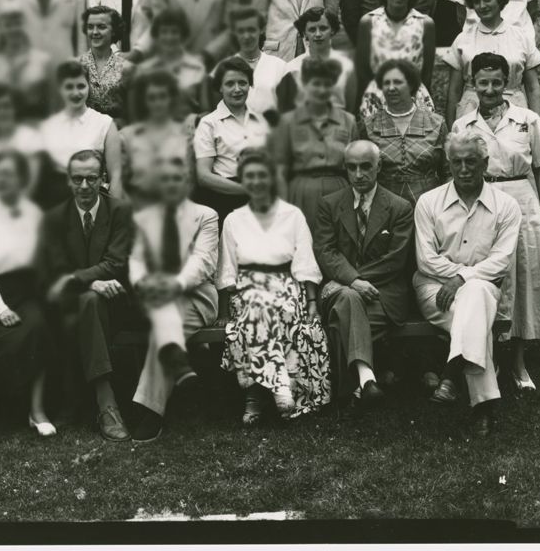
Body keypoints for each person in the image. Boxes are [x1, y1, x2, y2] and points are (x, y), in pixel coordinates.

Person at [451, 52, 540, 390]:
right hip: (483, 200)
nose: (491, 88)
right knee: (489, 280)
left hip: (523, 202)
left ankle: (519, 363)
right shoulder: (463, 125)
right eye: (484, 82)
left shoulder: (527, 120)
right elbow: (455, 172)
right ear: (473, 83)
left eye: (497, 82)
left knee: (523, 281)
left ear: (507, 82)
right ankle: (490, 359)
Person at [413, 130, 522, 437]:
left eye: (471, 161)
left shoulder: (506, 206)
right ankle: (481, 407)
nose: (464, 169)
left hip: (482, 287)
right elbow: (426, 259)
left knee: (474, 298)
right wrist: (461, 277)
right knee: (476, 313)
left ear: (485, 163)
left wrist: (463, 277)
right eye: (457, 161)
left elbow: (502, 260)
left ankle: (453, 377)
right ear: (448, 163)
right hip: (434, 288)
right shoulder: (428, 202)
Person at [218, 149, 330, 424]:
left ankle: (256, 396)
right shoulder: (233, 219)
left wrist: (313, 302)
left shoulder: (292, 216)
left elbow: (305, 262)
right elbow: (228, 269)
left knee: (275, 307)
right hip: (246, 288)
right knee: (257, 305)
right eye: (250, 176)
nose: (257, 182)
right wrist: (224, 308)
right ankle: (279, 386)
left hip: (287, 285)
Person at [40, 149, 135, 441]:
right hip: (70, 303)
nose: (84, 187)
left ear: (103, 179)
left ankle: (78, 402)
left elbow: (115, 263)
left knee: (92, 302)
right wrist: (89, 284)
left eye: (91, 178)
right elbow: (55, 269)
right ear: (68, 181)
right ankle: (106, 404)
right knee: (88, 301)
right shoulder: (55, 217)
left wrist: (78, 279)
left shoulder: (120, 211)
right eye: (77, 179)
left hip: (117, 302)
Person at [315, 141, 414, 403]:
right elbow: (326, 251)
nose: (358, 175)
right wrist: (354, 281)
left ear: (379, 166)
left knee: (341, 318)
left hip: (383, 295)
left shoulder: (399, 207)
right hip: (345, 291)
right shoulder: (330, 204)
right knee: (348, 299)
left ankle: (350, 390)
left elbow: (394, 260)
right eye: (352, 168)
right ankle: (367, 377)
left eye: (365, 167)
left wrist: (351, 280)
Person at [0, 149, 55, 437]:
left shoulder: (33, 212)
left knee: (40, 326)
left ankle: (37, 410)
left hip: (27, 292)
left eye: (11, 174)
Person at [128, 157, 218, 442]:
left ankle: (150, 410)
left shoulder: (206, 216)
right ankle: (174, 370)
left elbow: (203, 262)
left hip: (196, 298)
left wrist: (174, 284)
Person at [442, 0, 540, 129]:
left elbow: (532, 87)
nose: (482, 5)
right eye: (476, 1)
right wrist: (451, 130)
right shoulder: (463, 39)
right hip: (471, 112)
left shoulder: (521, 37)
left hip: (515, 111)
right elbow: (454, 90)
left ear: (500, 0)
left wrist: (537, 127)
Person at [270, 57, 357, 231]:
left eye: (327, 84)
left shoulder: (348, 121)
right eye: (316, 83)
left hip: (339, 190)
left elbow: (355, 166)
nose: (322, 90)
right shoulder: (288, 121)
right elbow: (279, 169)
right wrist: (283, 206)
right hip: (302, 191)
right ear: (305, 85)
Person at [355, 0, 437, 120]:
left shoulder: (425, 23)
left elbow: (426, 74)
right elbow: (363, 72)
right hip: (377, 99)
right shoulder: (369, 21)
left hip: (414, 99)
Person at [359, 59, 447, 206]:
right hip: (383, 207)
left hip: (429, 206)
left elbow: (448, 173)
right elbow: (361, 172)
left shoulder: (437, 124)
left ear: (412, 85)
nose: (391, 88)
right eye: (386, 83)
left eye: (398, 82)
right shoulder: (368, 126)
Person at [193, 56, 269, 224]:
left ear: (250, 85)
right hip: (225, 201)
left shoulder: (261, 121)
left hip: (260, 201)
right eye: (229, 84)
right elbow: (203, 176)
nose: (237, 89)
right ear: (220, 87)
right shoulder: (209, 124)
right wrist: (245, 189)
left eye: (242, 83)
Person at [37, 60, 124, 206]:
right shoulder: (48, 126)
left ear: (88, 86)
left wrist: (113, 214)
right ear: (60, 89)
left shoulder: (104, 124)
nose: (76, 93)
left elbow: (116, 175)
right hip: (54, 203)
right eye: (69, 87)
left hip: (91, 200)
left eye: (81, 86)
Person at [119, 69, 194, 207]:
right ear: (144, 101)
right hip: (138, 207)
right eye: (152, 98)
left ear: (170, 98)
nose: (157, 102)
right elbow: (119, 182)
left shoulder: (184, 135)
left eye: (162, 96)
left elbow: (189, 180)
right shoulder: (127, 136)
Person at [0, 3, 57, 122]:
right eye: (8, 25)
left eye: (17, 23)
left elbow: (54, 105)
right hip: (2, 133)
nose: (14, 29)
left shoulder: (43, 61)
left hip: (37, 130)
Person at [130, 9, 210, 121]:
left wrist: (195, 119)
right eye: (164, 32)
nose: (169, 37)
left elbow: (207, 112)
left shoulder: (198, 68)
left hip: (188, 131)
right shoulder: (144, 70)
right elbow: (136, 113)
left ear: (182, 35)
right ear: (157, 35)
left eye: (174, 32)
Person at [214, 6, 286, 120]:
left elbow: (287, 110)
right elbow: (215, 111)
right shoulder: (223, 67)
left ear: (261, 29)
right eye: (241, 31)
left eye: (251, 30)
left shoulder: (280, 66)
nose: (246, 36)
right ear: (234, 33)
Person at [278, 7, 356, 113]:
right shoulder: (292, 68)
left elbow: (351, 107)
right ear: (304, 33)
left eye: (323, 28)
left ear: (332, 30)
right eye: (312, 29)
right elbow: (285, 109)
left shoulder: (346, 66)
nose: (318, 34)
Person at [79, 6, 134, 124]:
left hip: (118, 132)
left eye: (101, 27)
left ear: (114, 30)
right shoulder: (78, 65)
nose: (94, 32)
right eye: (90, 27)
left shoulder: (127, 68)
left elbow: (134, 112)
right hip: (84, 133)